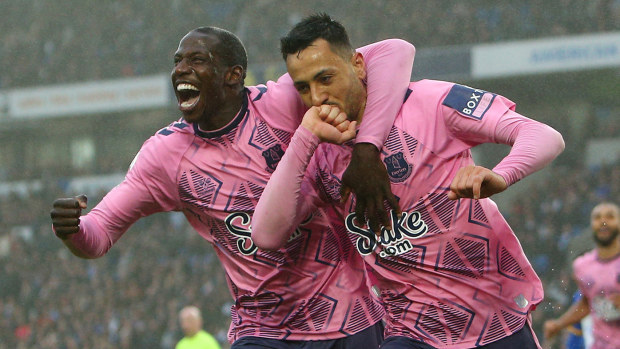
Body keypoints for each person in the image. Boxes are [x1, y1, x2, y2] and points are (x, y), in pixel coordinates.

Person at [49, 25, 416, 347]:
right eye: (177, 61)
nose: (180, 70)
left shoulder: (284, 100)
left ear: (232, 74)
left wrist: (368, 148)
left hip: (352, 321)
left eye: (197, 60)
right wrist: (72, 230)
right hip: (263, 331)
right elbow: (98, 235)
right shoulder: (164, 156)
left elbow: (394, 51)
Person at [251, 14, 565, 349]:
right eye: (303, 87)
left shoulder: (429, 101)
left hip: (494, 316)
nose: (316, 97)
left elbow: (543, 135)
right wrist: (304, 138)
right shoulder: (317, 151)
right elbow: (266, 235)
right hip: (410, 330)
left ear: (358, 65)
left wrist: (502, 174)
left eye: (325, 78)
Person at [544, 202, 620, 349]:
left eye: (610, 217)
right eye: (597, 217)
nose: (603, 221)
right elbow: (586, 302)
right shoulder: (582, 266)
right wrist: (558, 324)